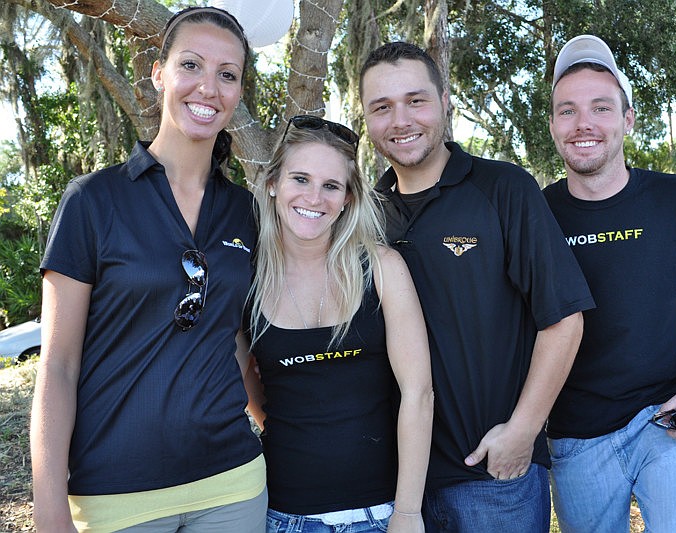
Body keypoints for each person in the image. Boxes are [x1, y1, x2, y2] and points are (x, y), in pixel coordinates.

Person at [30, 7, 267, 532]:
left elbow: (233, 338)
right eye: (191, 65)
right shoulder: (93, 201)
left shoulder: (246, 212)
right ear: (159, 73)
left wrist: (274, 423)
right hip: (116, 494)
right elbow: (58, 366)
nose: (208, 88)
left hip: (233, 485)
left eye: (227, 75)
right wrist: (48, 508)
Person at [359, 42, 595, 532]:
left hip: (491, 477)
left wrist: (522, 432)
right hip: (395, 484)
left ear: (445, 102)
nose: (400, 120)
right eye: (382, 107)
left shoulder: (503, 189)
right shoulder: (365, 215)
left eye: (415, 101)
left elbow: (564, 319)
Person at [543, 34, 676, 532]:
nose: (583, 123)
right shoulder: (536, 213)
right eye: (567, 111)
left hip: (665, 417)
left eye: (601, 108)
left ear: (627, 119)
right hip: (575, 435)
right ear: (553, 125)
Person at [243, 115, 434, 533]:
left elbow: (418, 394)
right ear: (273, 183)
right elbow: (249, 391)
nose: (314, 198)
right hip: (283, 516)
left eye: (331, 186)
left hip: (381, 513)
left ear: (348, 197)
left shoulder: (382, 268)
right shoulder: (248, 278)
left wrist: (407, 512)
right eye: (300, 179)